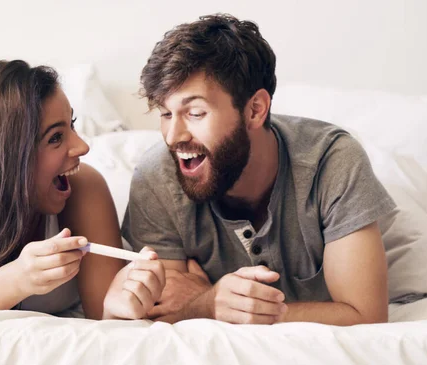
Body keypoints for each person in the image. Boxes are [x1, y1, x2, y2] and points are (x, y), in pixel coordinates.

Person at [122, 14, 396, 325]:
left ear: (255, 110)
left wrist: (222, 304)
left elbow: (366, 315)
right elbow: (163, 313)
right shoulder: (156, 178)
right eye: (165, 114)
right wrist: (207, 304)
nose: (173, 137)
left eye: (195, 113)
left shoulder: (332, 161)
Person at [0, 60, 165, 320]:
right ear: (3, 156)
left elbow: (105, 315)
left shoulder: (85, 186)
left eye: (71, 125)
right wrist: (16, 280)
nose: (82, 146)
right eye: (55, 137)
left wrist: (122, 304)